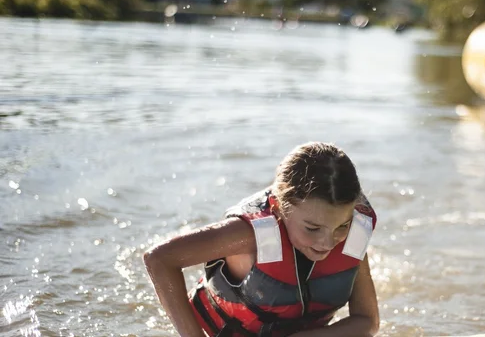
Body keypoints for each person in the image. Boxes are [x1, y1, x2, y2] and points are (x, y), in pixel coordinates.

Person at [143, 142, 380, 337]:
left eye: (342, 226)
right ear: (278, 207)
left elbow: (367, 322)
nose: (328, 243)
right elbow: (160, 259)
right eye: (312, 228)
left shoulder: (352, 232)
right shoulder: (249, 236)